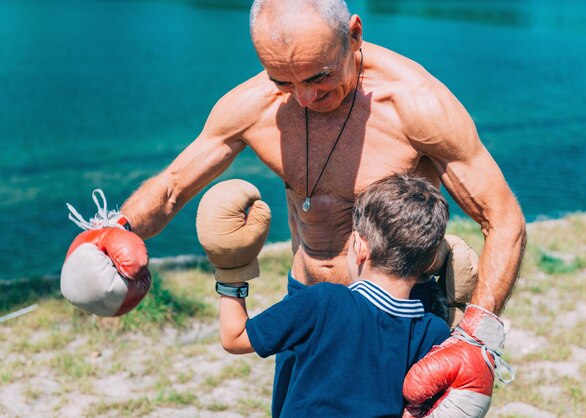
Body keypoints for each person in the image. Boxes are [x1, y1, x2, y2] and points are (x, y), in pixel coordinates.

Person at [62, 0, 526, 415]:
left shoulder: (415, 104)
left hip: (395, 320)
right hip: (307, 304)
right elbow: (173, 186)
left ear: (355, 35)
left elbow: (502, 218)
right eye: (284, 80)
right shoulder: (257, 104)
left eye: (320, 76)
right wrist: (118, 228)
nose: (305, 97)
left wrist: (475, 336)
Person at [218, 173, 451, 417]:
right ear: (430, 261)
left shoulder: (323, 302)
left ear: (359, 247)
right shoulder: (434, 331)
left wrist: (230, 270)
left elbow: (235, 337)